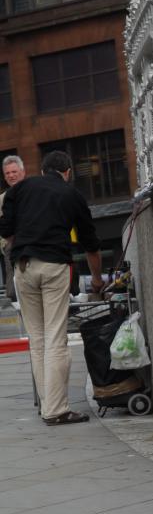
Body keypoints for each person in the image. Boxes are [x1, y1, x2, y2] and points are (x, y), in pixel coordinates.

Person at [0, 150, 104, 425]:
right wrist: (96, 280)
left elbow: (6, 232)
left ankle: (48, 405)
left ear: (43, 170)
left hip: (23, 266)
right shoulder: (73, 195)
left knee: (38, 340)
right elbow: (90, 244)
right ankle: (57, 410)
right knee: (56, 336)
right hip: (54, 265)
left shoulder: (19, 189)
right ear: (67, 172)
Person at [0, 155, 26, 300]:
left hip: (34, 244)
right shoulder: (2, 199)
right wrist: (5, 245)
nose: (11, 176)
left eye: (14, 172)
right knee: (13, 291)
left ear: (22, 172)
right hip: (12, 247)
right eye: (7, 173)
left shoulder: (34, 191)